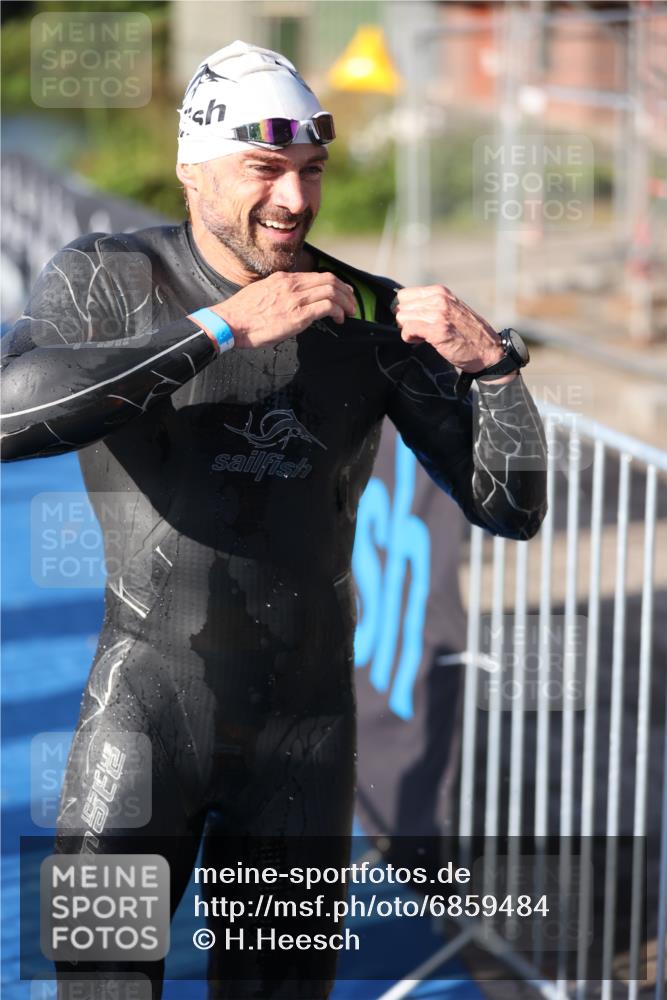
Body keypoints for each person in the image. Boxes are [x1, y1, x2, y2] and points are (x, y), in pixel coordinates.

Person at [1, 40, 547, 1000]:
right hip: (138, 723)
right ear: (191, 167)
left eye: (311, 171)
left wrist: (495, 373)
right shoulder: (111, 279)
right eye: (264, 169)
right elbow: (11, 416)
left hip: (303, 737)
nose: (294, 199)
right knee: (101, 982)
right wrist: (222, 328)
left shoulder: (362, 312)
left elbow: (512, 508)